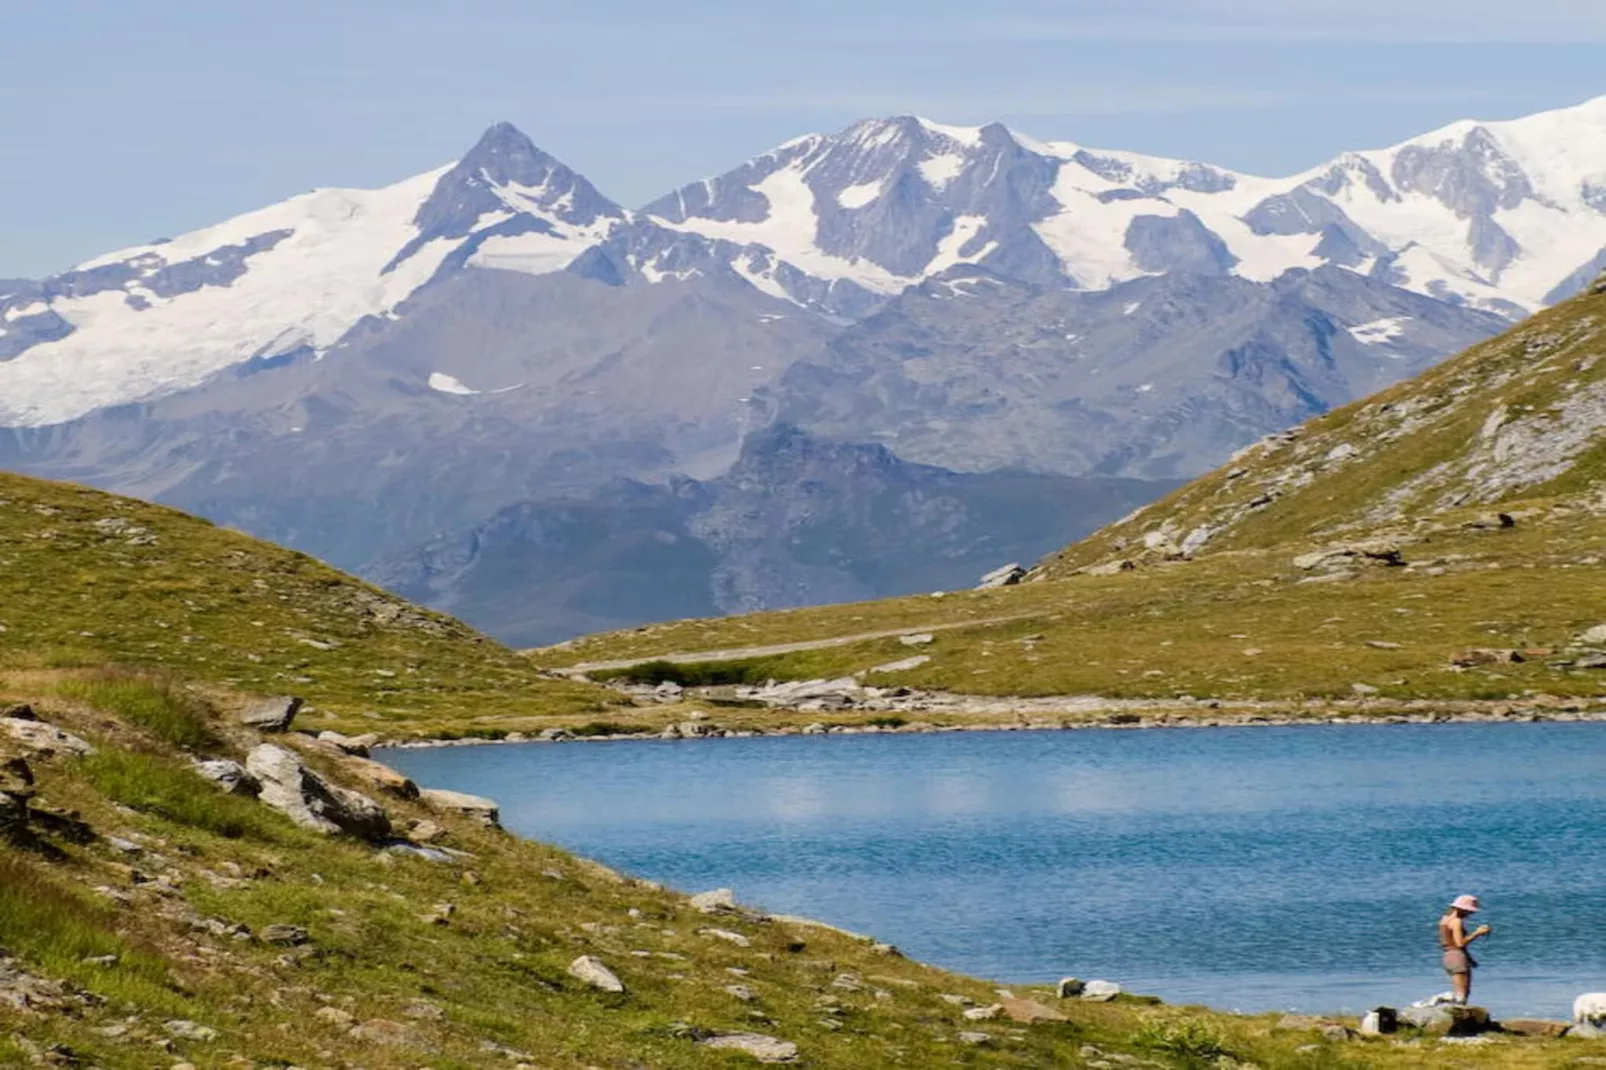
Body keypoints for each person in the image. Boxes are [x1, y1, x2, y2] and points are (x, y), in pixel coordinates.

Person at [1439, 894, 1492, 1004]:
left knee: (1460, 993)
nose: (1471, 914)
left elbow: (1452, 943)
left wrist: (1469, 959)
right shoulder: (1456, 921)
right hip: (1457, 957)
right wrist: (1477, 933)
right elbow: (1459, 943)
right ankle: (1440, 1000)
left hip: (1448, 956)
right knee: (1462, 995)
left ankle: (1446, 1002)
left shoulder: (1444, 920)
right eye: (1469, 911)